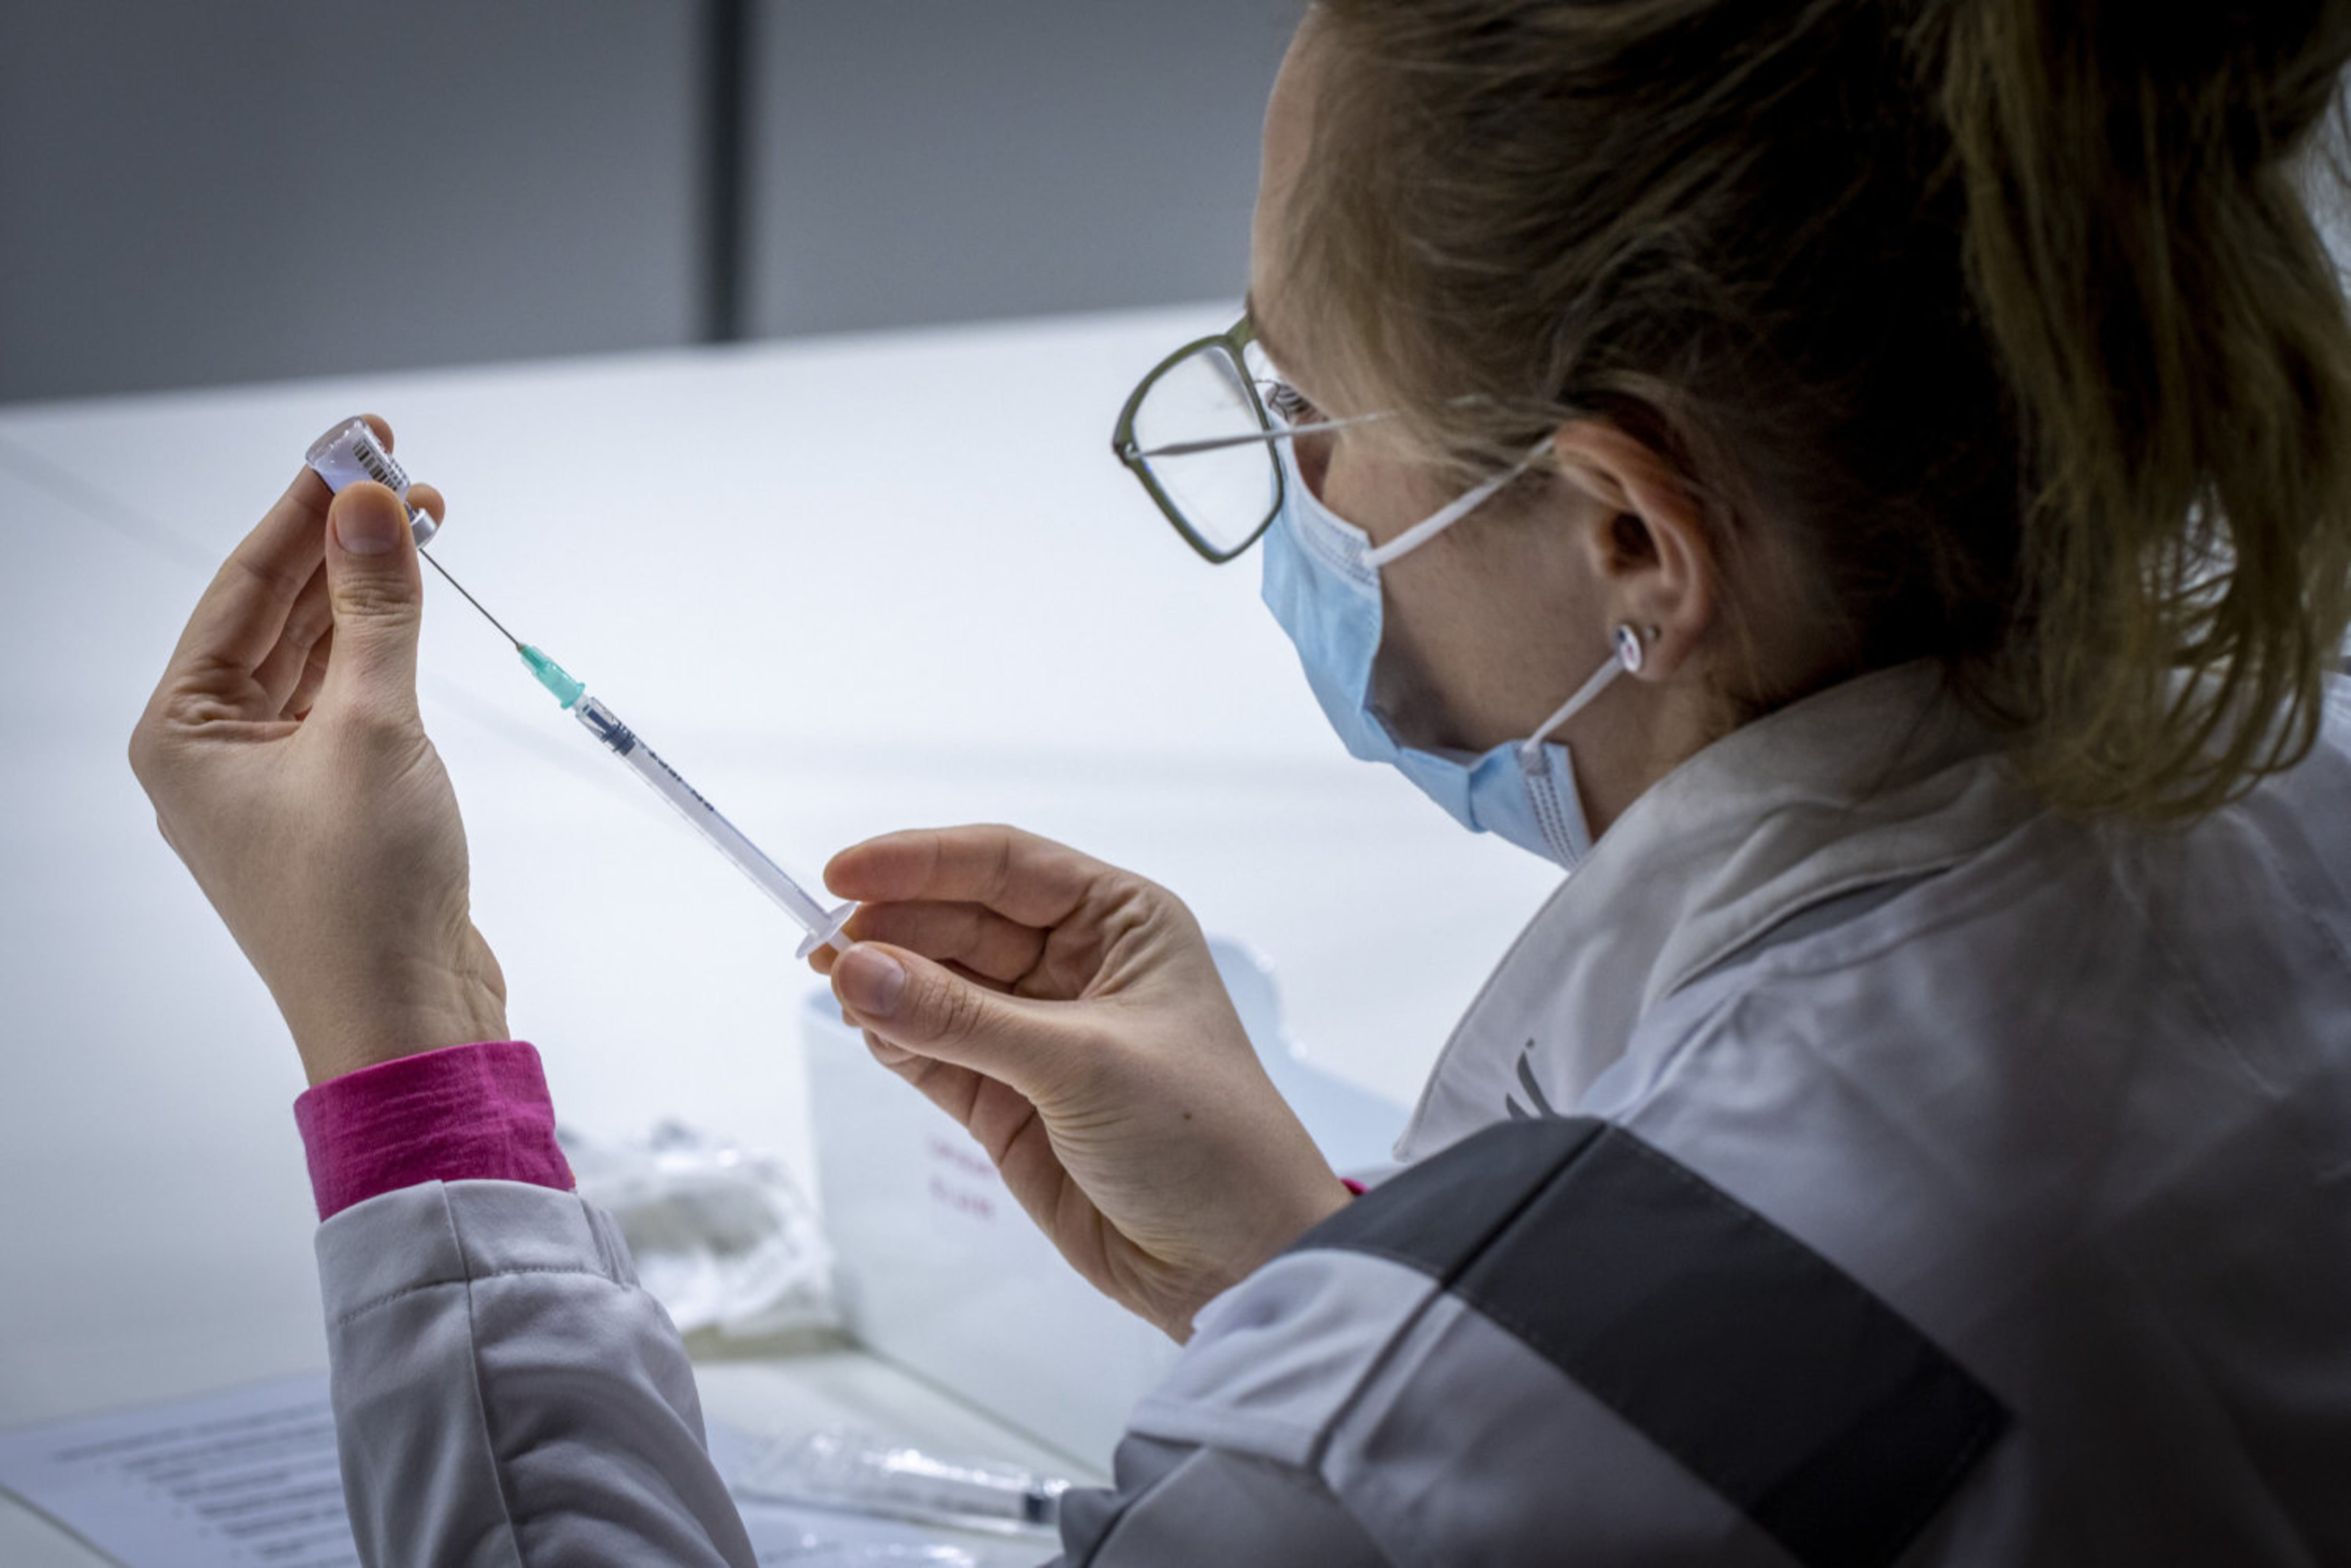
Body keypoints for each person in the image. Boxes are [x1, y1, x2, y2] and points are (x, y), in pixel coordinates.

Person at [129, 1, 2351, 1562]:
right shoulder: (2298, 815)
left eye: (1303, 408)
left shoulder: (1364, 1472)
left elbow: (1516, 1462)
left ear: (1628, 539)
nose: (1293, 489)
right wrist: (1330, 1257)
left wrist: (402, 1052)